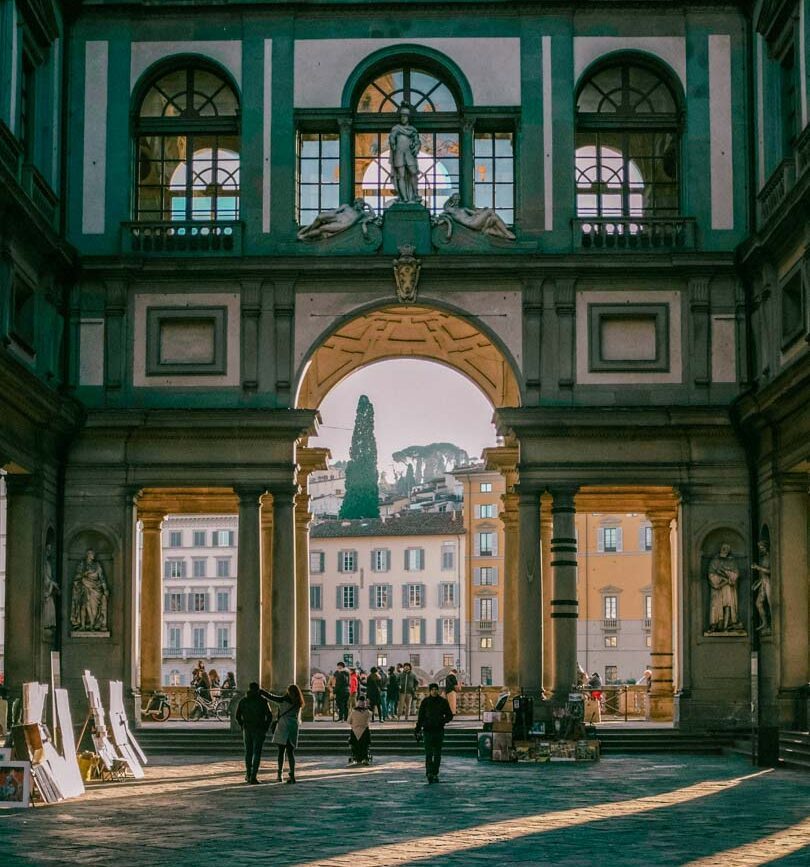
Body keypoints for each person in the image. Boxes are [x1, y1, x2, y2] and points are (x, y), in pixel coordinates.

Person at [261, 684, 304, 784]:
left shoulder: (283, 700)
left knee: (281, 752)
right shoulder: (299, 702)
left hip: (283, 726)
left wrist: (262, 692)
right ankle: (292, 774)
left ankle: (280, 774)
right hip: (292, 726)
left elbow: (271, 697)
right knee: (290, 752)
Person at [415, 682, 453, 783]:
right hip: (427, 730)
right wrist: (417, 729)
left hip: (438, 730)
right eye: (432, 690)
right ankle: (429, 773)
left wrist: (442, 721)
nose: (434, 691)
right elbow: (420, 716)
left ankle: (435, 772)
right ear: (430, 691)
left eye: (436, 689)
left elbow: (449, 715)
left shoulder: (443, 702)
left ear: (438, 690)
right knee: (428, 753)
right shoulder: (425, 702)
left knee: (437, 754)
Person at [235, 682, 273, 784]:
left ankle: (248, 774)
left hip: (247, 728)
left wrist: (242, 725)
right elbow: (269, 715)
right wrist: (265, 727)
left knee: (248, 752)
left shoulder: (243, 701)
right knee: (257, 753)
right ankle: (253, 776)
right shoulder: (262, 701)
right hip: (259, 729)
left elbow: (237, 716)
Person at [437, 193, 517, 240]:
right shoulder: (452, 210)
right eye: (455, 199)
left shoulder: (463, 209)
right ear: (452, 200)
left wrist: (482, 211)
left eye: (458, 199)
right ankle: (505, 228)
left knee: (493, 218)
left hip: (475, 220)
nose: (457, 201)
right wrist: (449, 200)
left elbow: (475, 213)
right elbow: (444, 209)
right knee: (489, 211)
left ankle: (506, 234)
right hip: (472, 223)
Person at [70, 548, 109, 632]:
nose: (93, 555)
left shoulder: (97, 565)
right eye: (91, 553)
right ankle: (83, 625)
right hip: (84, 587)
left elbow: (102, 578)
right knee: (83, 606)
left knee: (94, 608)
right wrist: (84, 574)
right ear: (87, 554)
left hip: (96, 589)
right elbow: (77, 577)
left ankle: (92, 624)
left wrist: (105, 589)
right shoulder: (82, 564)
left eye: (93, 553)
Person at [388, 104, 421, 203]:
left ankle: (415, 194)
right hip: (399, 153)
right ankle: (404, 198)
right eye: (402, 116)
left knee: (413, 172)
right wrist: (393, 143)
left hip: (409, 154)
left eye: (405, 116)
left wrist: (416, 147)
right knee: (401, 175)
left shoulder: (412, 129)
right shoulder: (396, 128)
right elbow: (392, 138)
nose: (403, 118)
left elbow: (417, 141)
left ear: (408, 118)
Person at [708, 543, 742, 632]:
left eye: (726, 549)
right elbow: (711, 574)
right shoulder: (714, 561)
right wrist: (722, 579)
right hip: (718, 588)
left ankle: (726, 626)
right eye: (723, 548)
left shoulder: (732, 562)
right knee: (716, 606)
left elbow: (735, 574)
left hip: (728, 588)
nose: (724, 550)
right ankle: (715, 625)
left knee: (728, 606)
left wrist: (726, 573)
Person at [752, 539, 772, 632]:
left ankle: (771, 625)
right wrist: (757, 583)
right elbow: (762, 574)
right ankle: (765, 623)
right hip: (763, 582)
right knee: (758, 603)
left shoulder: (770, 557)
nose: (761, 549)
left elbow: (770, 571)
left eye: (762, 548)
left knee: (770, 603)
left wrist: (758, 567)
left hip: (769, 583)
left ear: (766, 547)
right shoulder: (763, 558)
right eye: (760, 548)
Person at [348, 698, 372, 765]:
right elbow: (369, 719)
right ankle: (365, 758)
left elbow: (348, 721)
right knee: (365, 745)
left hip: (355, 731)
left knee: (354, 745)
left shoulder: (353, 712)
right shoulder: (368, 712)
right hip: (364, 731)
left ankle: (355, 757)